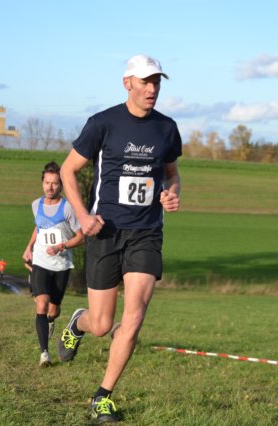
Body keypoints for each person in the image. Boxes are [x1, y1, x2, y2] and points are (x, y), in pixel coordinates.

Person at [58, 54, 182, 423]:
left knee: (135, 316)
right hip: (106, 231)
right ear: (127, 83)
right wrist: (83, 216)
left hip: (146, 233)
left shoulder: (167, 128)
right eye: (145, 81)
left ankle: (103, 396)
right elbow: (67, 170)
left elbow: (172, 174)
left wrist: (172, 193)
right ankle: (78, 323)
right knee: (101, 325)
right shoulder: (103, 123)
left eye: (156, 81)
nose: (152, 88)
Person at [22, 161, 84, 367]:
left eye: (55, 183)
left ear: (61, 185)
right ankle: (44, 354)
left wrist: (62, 246)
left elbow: (81, 237)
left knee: (53, 309)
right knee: (41, 304)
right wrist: (29, 247)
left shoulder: (68, 208)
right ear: (42, 183)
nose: (50, 187)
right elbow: (38, 227)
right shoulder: (35, 205)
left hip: (61, 265)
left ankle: (51, 321)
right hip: (40, 261)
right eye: (47, 182)